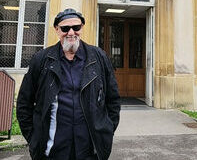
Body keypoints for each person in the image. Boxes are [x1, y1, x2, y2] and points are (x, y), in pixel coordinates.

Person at [17, 8, 121, 160]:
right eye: (65, 28)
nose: (71, 33)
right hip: (52, 151)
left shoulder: (99, 57)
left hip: (89, 152)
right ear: (57, 30)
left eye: (76, 27)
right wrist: (34, 138)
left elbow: (113, 100)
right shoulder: (41, 59)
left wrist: (106, 132)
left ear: (82, 28)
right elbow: (23, 103)